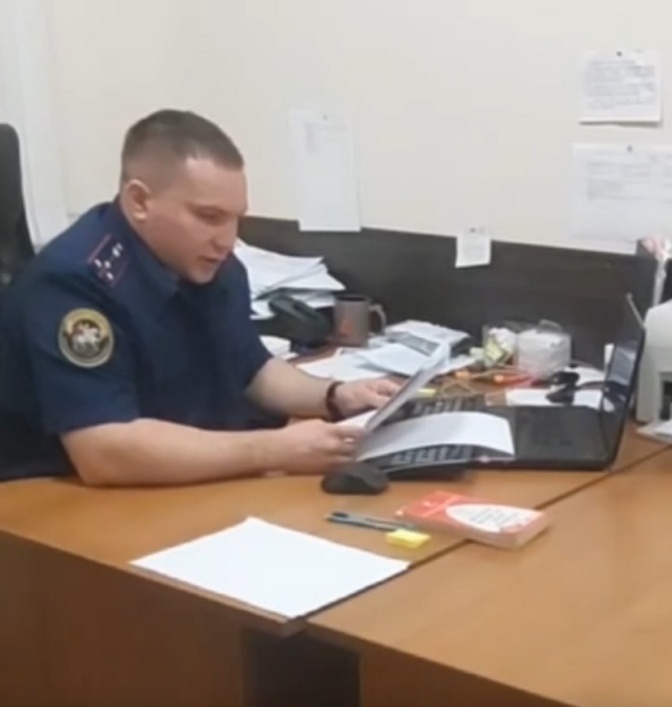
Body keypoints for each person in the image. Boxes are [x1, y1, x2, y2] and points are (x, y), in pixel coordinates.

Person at [0, 109, 399, 485]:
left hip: (184, 477)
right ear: (139, 202)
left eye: (235, 218)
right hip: (57, 500)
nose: (227, 239)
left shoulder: (208, 262)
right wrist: (274, 450)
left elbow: (250, 370)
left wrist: (335, 396)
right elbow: (103, 450)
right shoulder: (72, 284)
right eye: (209, 217)